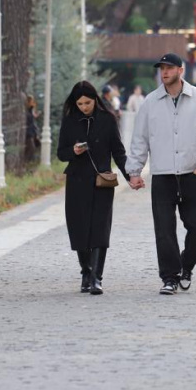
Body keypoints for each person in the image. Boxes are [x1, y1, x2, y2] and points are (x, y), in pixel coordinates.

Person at [127, 53, 196, 295]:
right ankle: (169, 277)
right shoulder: (150, 102)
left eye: (169, 68)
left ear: (181, 70)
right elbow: (140, 139)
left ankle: (186, 266)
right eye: (162, 68)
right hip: (163, 175)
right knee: (164, 229)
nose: (164, 72)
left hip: (192, 174)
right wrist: (134, 171)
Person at [56, 81, 129, 295]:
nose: (83, 107)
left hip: (101, 181)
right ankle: (86, 272)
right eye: (79, 103)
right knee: (78, 228)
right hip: (77, 180)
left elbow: (118, 151)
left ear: (95, 99)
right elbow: (61, 153)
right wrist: (73, 150)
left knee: (100, 228)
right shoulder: (69, 121)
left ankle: (97, 277)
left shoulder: (107, 120)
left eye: (87, 103)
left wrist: (130, 176)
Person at [24, 94, 41, 167]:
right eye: (32, 101)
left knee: (34, 147)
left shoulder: (31, 110)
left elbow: (34, 116)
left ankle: (29, 163)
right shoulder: (26, 111)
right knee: (31, 148)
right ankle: (27, 163)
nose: (33, 102)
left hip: (32, 132)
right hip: (28, 133)